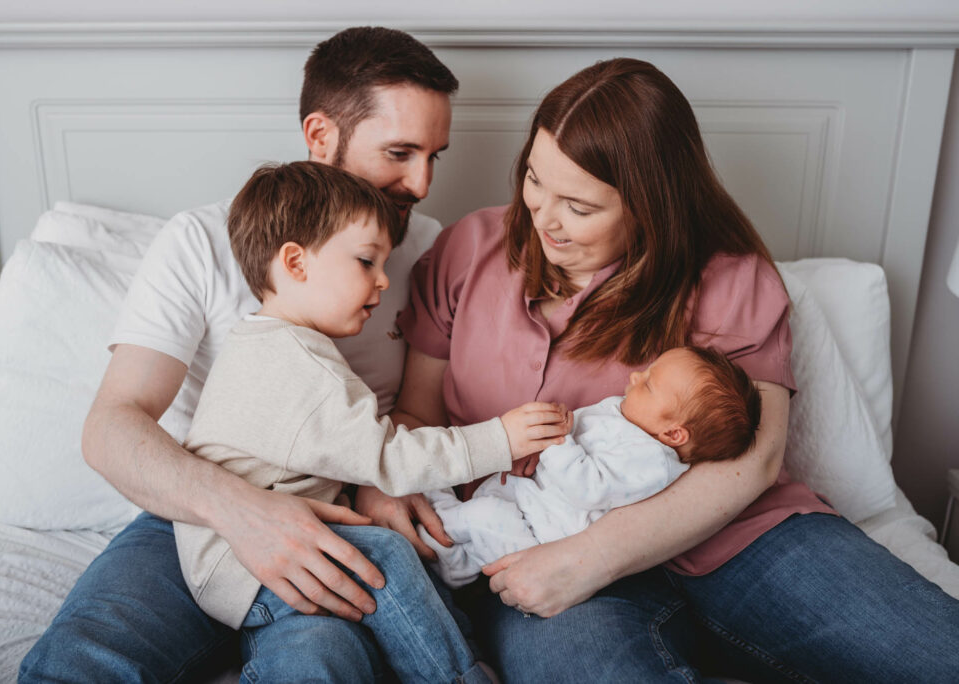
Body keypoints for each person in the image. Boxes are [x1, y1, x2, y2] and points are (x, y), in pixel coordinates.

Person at [387, 57, 959, 682]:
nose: (544, 217)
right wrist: (385, 486)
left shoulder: (731, 278)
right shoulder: (469, 251)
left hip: (734, 539)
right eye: (534, 179)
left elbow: (755, 460)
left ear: (650, 206)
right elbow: (419, 413)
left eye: (579, 206)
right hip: (540, 544)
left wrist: (592, 557)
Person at [20, 27, 473, 682]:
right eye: (400, 152)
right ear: (320, 136)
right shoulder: (200, 241)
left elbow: (416, 408)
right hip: (194, 510)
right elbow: (113, 423)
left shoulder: (434, 252)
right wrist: (244, 512)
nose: (422, 183)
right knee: (79, 662)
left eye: (436, 156)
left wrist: (377, 480)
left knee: (321, 667)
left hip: (340, 513)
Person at [173, 160, 570, 682]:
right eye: (365, 261)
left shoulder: (270, 344)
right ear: (295, 262)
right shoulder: (295, 366)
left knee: (393, 564)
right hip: (242, 566)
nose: (383, 281)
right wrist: (501, 438)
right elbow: (389, 459)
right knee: (385, 555)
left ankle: (455, 652)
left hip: (240, 561)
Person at [421, 346, 760, 589]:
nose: (636, 376)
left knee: (485, 517)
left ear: (673, 433)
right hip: (529, 498)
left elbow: (586, 488)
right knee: (474, 499)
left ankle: (446, 557)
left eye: (649, 384)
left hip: (536, 537)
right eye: (648, 370)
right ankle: (445, 530)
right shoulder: (629, 414)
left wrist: (559, 441)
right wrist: (548, 433)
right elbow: (582, 430)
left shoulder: (652, 462)